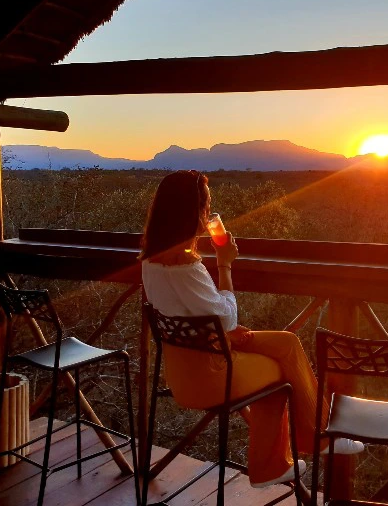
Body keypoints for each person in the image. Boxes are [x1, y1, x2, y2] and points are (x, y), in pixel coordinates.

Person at [140, 170, 363, 488]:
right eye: (207, 206)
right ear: (193, 212)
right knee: (278, 372)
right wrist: (225, 262)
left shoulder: (150, 263)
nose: (209, 214)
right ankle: (287, 456)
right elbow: (228, 315)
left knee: (286, 344)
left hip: (181, 373)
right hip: (214, 374)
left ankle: (306, 442)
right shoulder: (186, 267)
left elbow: (187, 315)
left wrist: (217, 332)